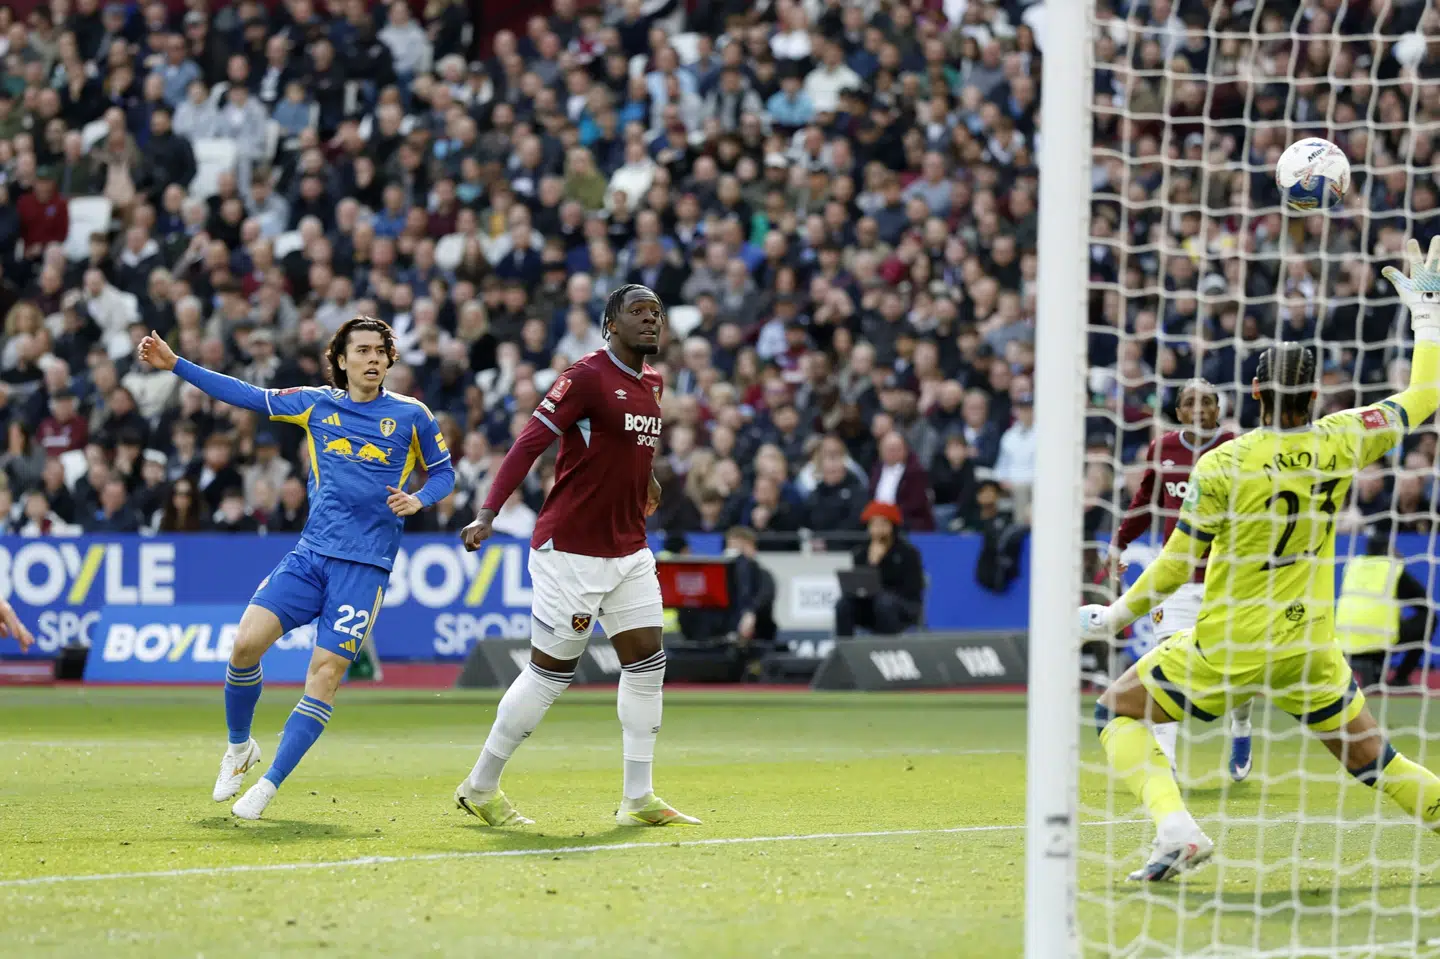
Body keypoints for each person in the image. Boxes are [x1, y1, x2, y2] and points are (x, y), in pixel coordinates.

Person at [1081, 238, 1440, 882]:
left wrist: (1117, 613)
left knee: (1116, 709)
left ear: (1253, 391)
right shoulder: (1346, 437)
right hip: (1308, 644)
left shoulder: (1224, 462)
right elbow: (1424, 395)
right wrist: (1428, 316)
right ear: (1314, 394)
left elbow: (1171, 565)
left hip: (1231, 642)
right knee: (1374, 762)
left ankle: (1177, 829)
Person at [137, 315, 455, 820]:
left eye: (381, 351)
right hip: (310, 556)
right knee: (244, 645)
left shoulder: (413, 415)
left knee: (324, 674)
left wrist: (419, 500)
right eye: (363, 351)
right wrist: (176, 364)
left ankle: (267, 785)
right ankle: (240, 748)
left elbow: (444, 472)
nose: (373, 359)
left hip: (365, 567)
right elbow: (248, 395)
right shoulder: (315, 404)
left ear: (390, 359)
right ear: (343, 360)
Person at [455, 284, 699, 828]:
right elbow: (529, 443)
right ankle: (480, 784)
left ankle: (638, 797)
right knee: (551, 674)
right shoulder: (585, 377)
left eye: (657, 313)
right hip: (571, 551)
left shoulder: (653, 385)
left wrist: (649, 481)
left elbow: (629, 448)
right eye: (638, 312)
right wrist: (489, 512)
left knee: (647, 663)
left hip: (629, 548)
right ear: (610, 324)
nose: (651, 320)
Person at [1104, 380, 1252, 781]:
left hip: (1228, 577)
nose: (1200, 408)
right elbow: (1144, 503)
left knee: (1237, 669)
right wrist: (1119, 543)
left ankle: (1241, 727)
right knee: (1166, 666)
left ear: (1219, 409)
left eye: (1208, 401)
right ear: (1179, 411)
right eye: (1190, 402)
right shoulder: (1162, 449)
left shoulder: (1237, 447)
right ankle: (1165, 761)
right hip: (1178, 579)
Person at [1335, 529, 1433, 689]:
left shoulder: (1352, 566)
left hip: (1345, 640)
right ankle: (1400, 677)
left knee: (1378, 620)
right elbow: (1423, 602)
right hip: (1379, 640)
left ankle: (1369, 666)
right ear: (1388, 548)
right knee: (1430, 619)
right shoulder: (1392, 569)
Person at [834, 501, 925, 636]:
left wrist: (884, 561)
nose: (878, 530)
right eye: (874, 525)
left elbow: (912, 588)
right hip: (869, 604)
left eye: (882, 524)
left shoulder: (907, 552)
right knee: (843, 605)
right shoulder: (861, 552)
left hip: (902, 604)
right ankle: (845, 648)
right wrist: (872, 563)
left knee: (884, 603)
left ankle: (886, 649)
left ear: (892, 527)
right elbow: (860, 586)